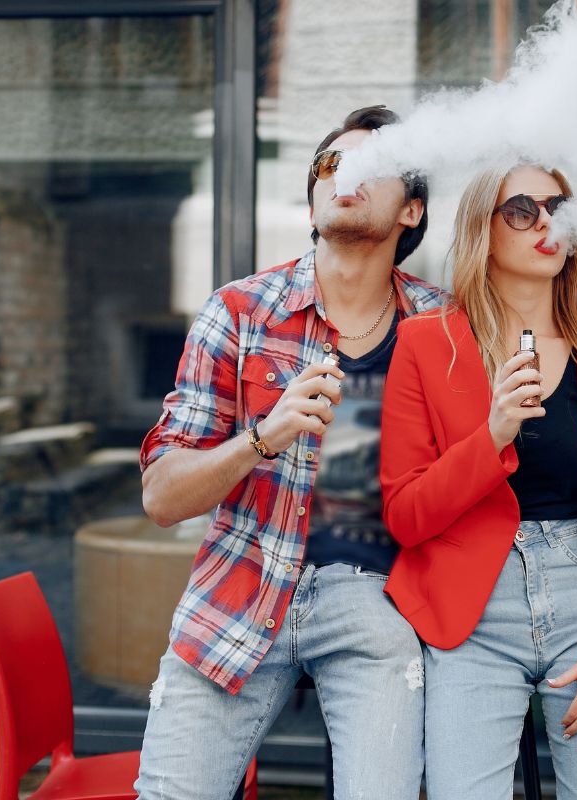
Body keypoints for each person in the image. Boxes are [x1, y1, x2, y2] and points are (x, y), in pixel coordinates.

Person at [134, 105, 445, 800]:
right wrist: (261, 437)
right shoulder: (239, 312)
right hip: (243, 584)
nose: (345, 177)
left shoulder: (444, 327)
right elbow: (161, 498)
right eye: (330, 165)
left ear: (411, 211)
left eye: (372, 167)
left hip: (377, 601)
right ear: (311, 197)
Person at [379, 164, 577, 799]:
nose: (546, 224)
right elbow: (405, 513)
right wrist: (492, 437)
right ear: (485, 229)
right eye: (522, 210)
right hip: (474, 613)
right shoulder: (427, 345)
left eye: (559, 209)